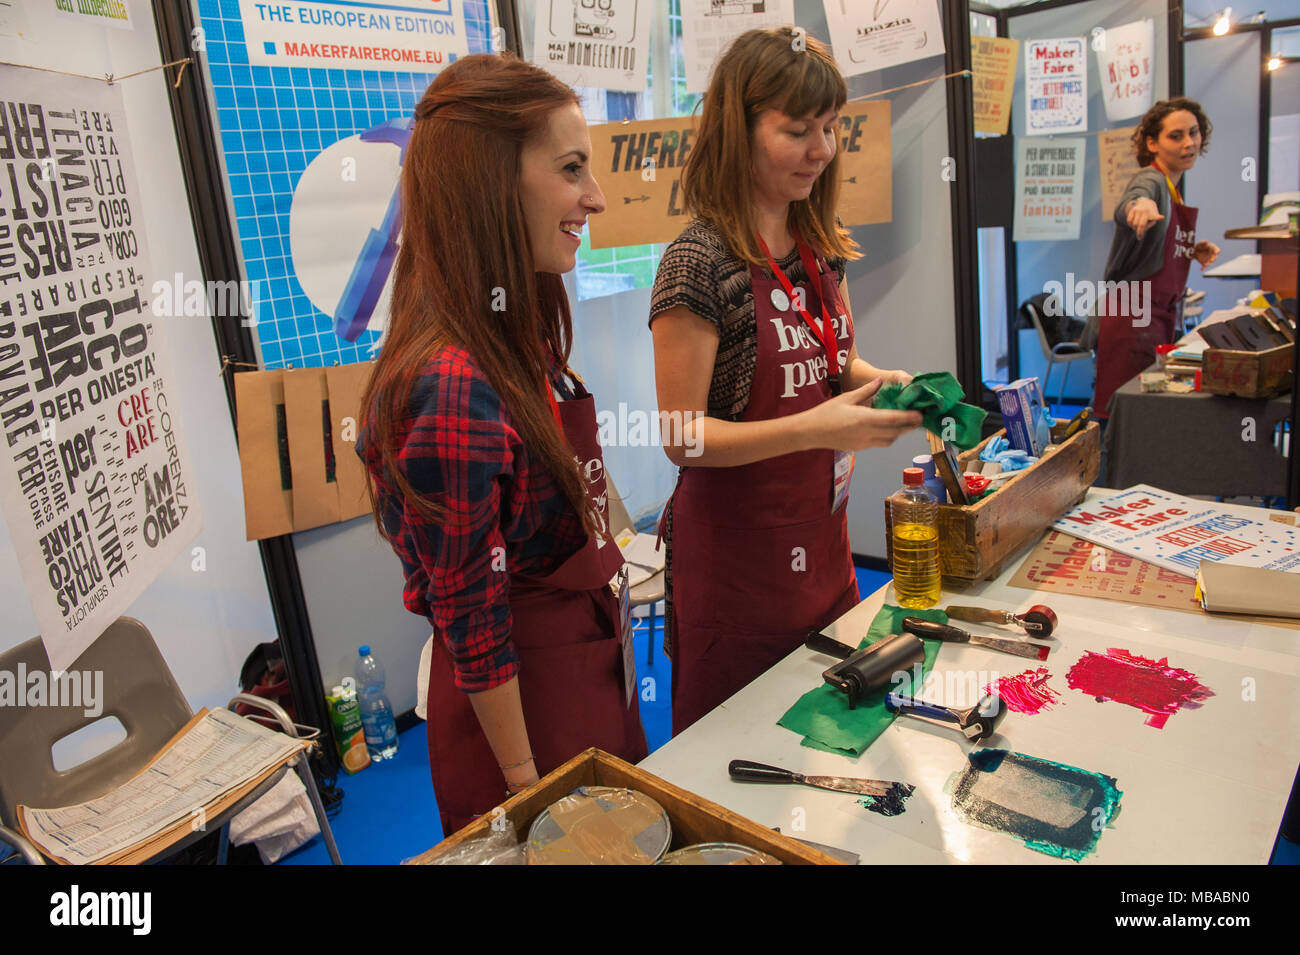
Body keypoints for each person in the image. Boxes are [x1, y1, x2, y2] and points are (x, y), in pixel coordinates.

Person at [356, 54, 646, 834]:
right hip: (522, 720)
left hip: (587, 666)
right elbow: (472, 613)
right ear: (491, 181)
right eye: (572, 168)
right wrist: (527, 792)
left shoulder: (520, 332)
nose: (597, 196)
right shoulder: (451, 381)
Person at [649, 28, 923, 735]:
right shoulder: (698, 262)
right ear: (738, 133)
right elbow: (681, 437)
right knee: (737, 759)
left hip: (822, 553)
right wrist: (814, 427)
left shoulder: (819, 246)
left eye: (830, 129)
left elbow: (835, 360)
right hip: (736, 576)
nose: (822, 150)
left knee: (833, 733)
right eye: (797, 130)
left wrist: (887, 383)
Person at [1092, 97, 1220, 420]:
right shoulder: (1150, 181)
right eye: (1175, 136)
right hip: (1132, 317)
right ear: (1152, 143)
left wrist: (1190, 248)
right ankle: (1110, 473)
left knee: (1144, 413)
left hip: (1156, 318)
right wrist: (1139, 207)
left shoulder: (1172, 187)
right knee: (1122, 416)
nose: (1188, 143)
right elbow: (1133, 202)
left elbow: (1153, 249)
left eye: (1193, 132)